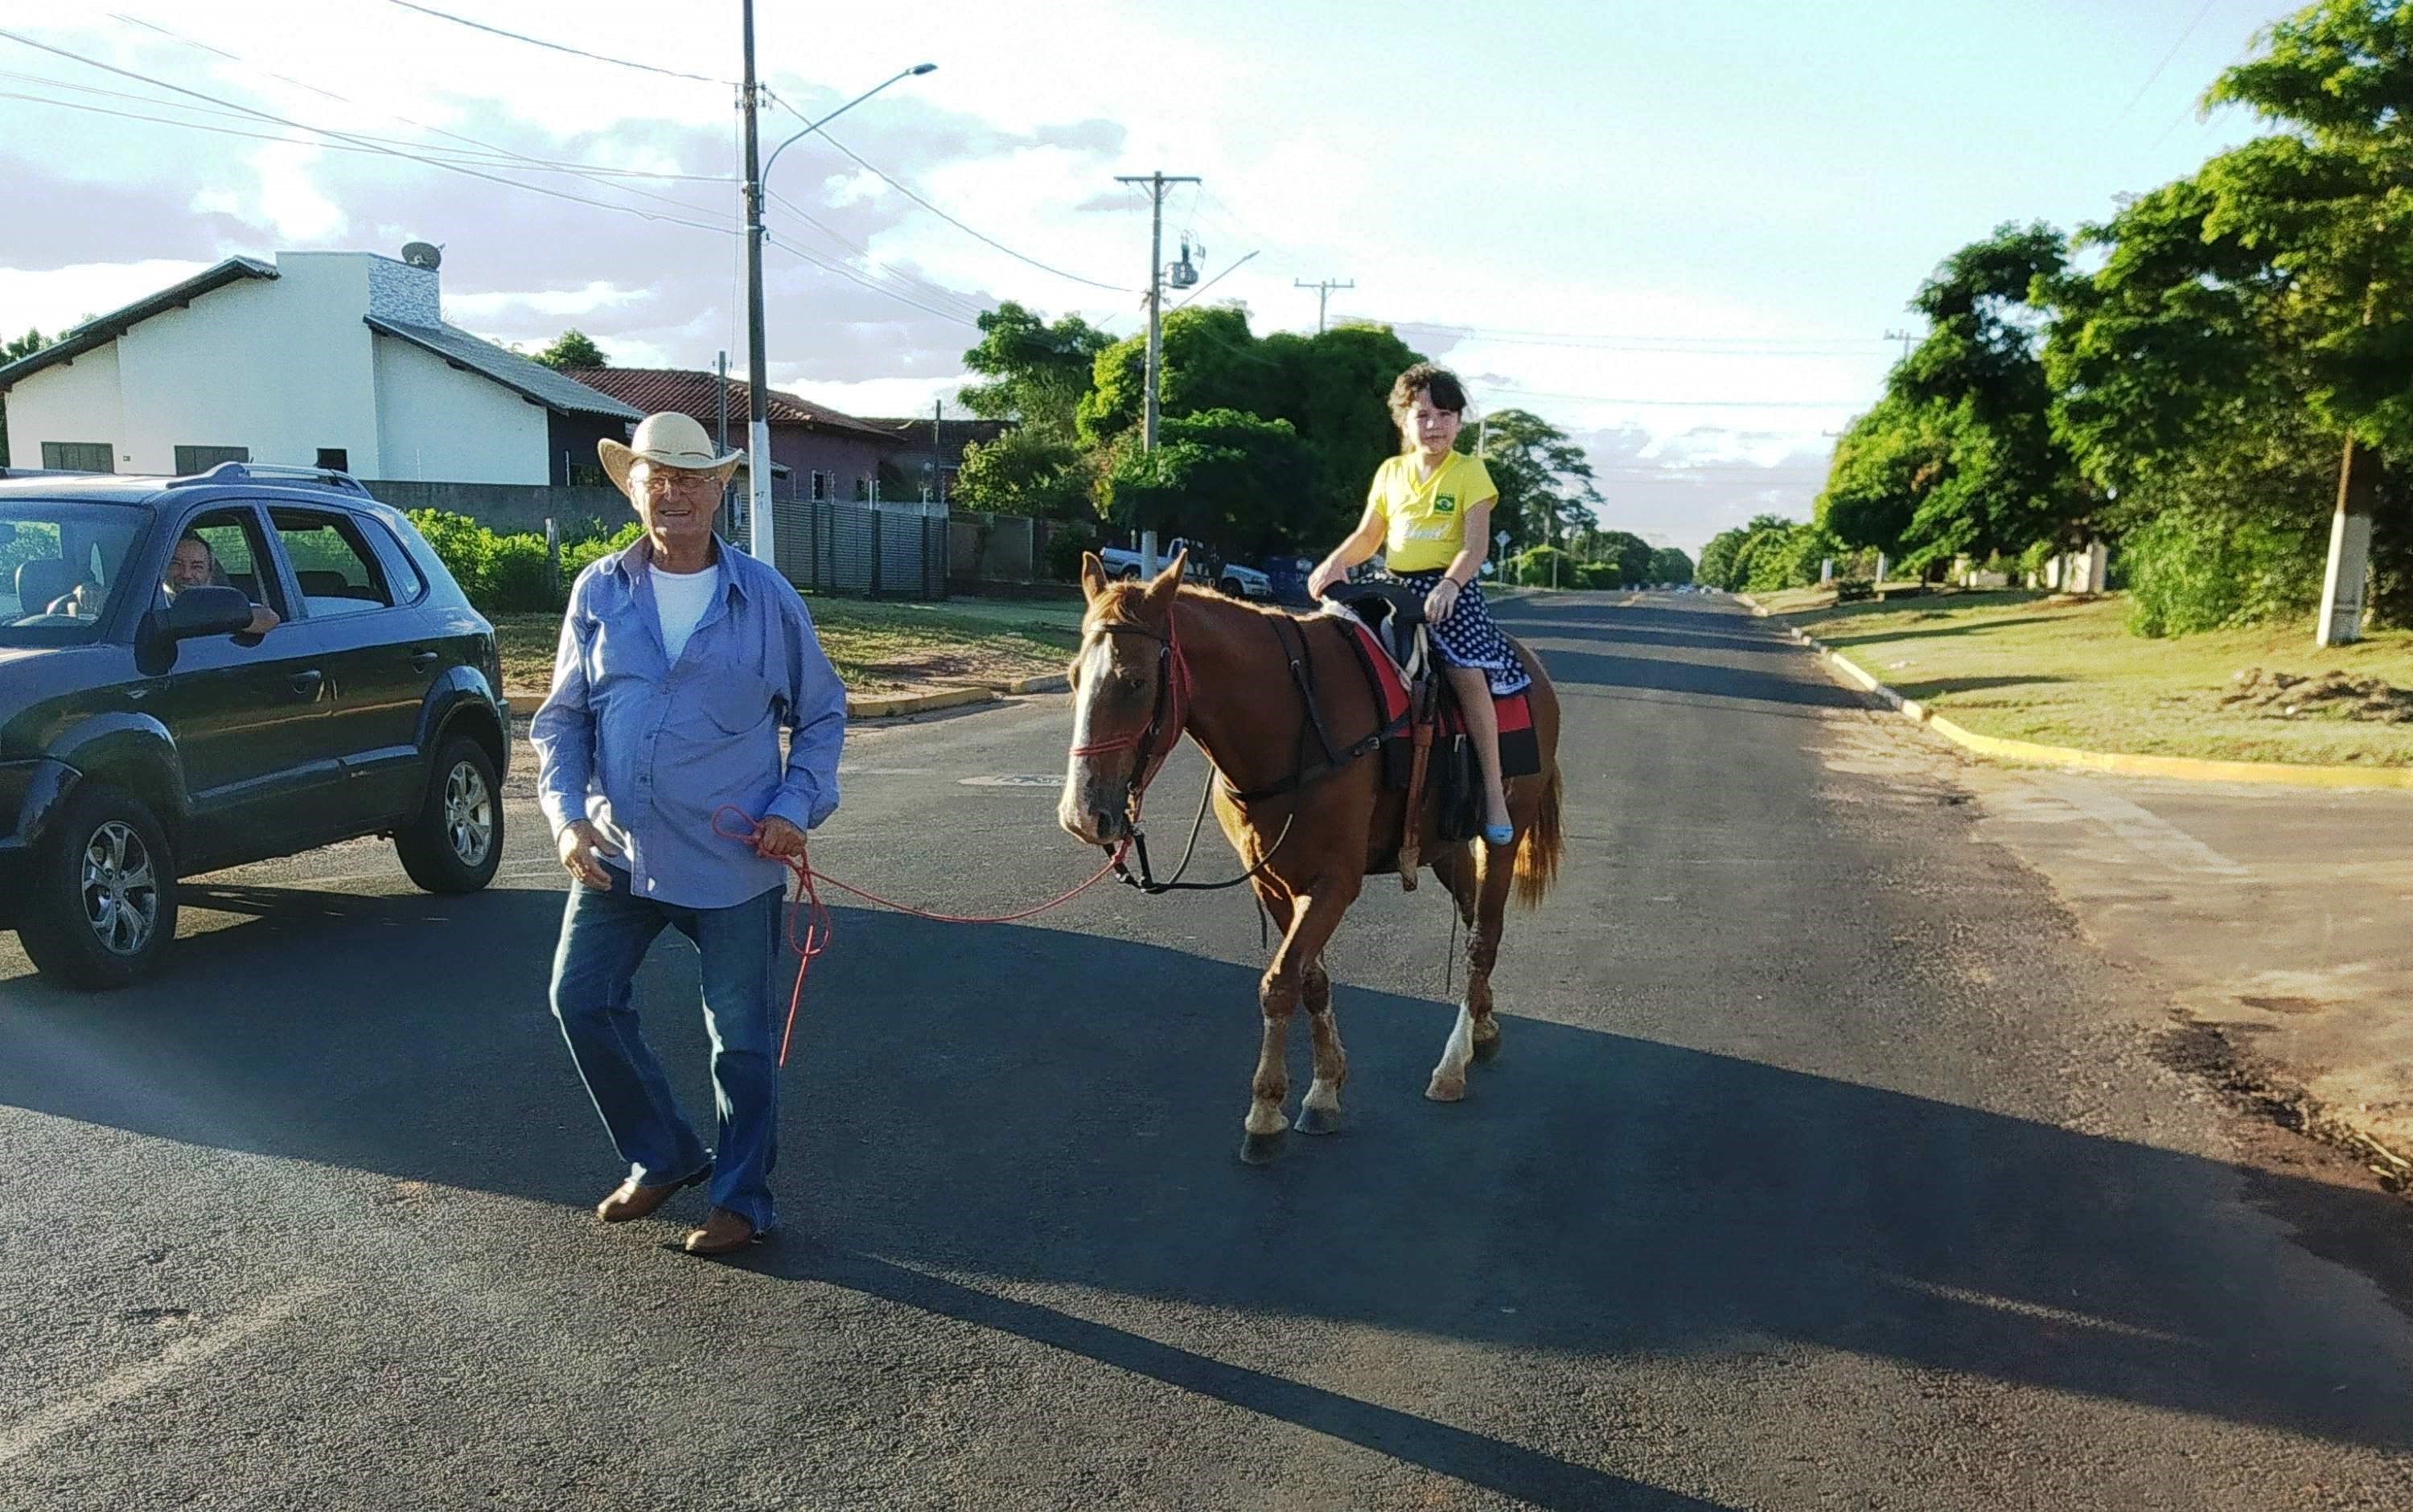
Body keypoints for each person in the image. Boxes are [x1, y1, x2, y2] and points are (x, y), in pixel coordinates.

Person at [531, 410, 847, 1257]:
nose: (672, 490)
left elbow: (821, 715)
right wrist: (565, 819)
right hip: (620, 853)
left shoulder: (766, 597)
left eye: (691, 476)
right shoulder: (599, 589)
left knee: (740, 1042)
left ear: (721, 489)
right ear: (633, 488)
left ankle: (742, 1197)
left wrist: (793, 807)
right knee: (580, 998)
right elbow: (561, 722)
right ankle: (664, 1151)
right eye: (655, 476)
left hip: (733, 864)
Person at [1307, 363, 1529, 848]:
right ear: (1403, 421)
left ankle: (1492, 791)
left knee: (1466, 673)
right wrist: (1334, 563)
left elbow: (1476, 547)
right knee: (1334, 643)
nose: (1435, 425)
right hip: (1393, 583)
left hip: (1453, 587)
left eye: (1446, 415)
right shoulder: (1390, 472)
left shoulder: (1471, 472)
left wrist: (1449, 585)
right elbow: (1370, 536)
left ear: (1459, 422)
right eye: (1424, 415)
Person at [51, 532, 281, 635]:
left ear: (210, 572)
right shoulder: (140, 600)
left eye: (197, 566)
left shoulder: (218, 603)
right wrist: (82, 595)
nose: (187, 574)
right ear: (161, 567)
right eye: (176, 564)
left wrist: (210, 615)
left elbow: (268, 618)